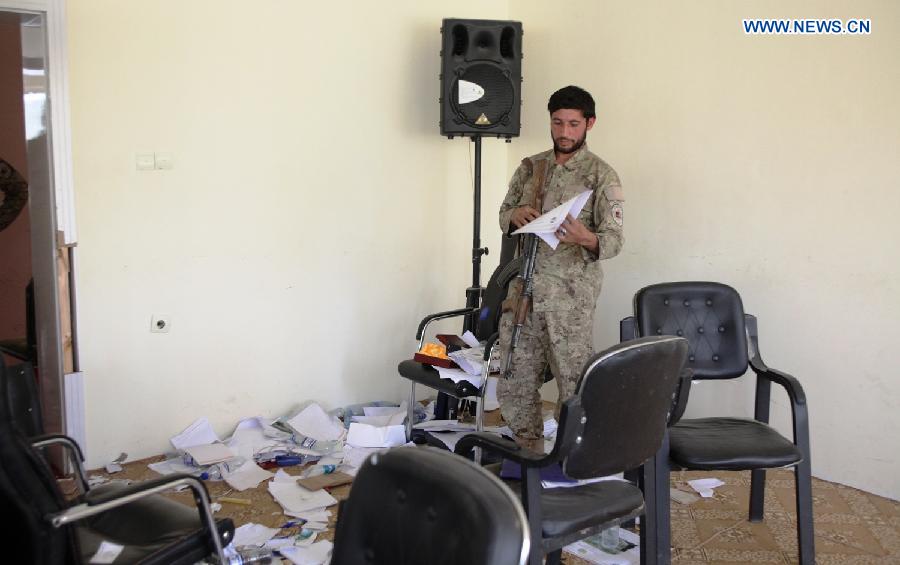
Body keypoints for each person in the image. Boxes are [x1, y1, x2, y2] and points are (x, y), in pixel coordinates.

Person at [497, 85, 624, 448]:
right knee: (515, 377)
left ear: (589, 124)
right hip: (524, 293)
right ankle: (526, 458)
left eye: (573, 124)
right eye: (557, 123)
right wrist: (515, 215)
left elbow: (614, 240)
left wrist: (585, 237)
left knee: (574, 382)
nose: (564, 133)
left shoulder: (601, 176)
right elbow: (504, 213)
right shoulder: (530, 168)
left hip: (570, 300)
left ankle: (571, 463)